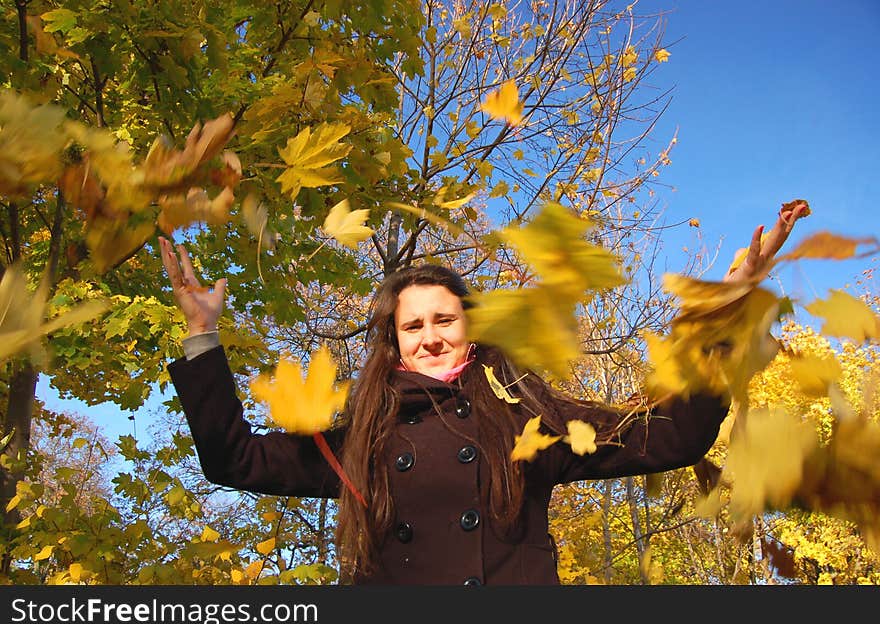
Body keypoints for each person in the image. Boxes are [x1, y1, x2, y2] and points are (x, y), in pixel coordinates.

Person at [159, 201, 808, 585]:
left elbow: (676, 433)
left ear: (470, 327)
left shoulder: (531, 418)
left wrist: (726, 302)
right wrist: (201, 333)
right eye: (413, 325)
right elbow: (233, 458)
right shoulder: (361, 439)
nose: (431, 336)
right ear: (393, 340)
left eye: (445, 319)